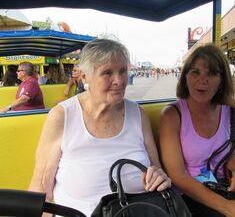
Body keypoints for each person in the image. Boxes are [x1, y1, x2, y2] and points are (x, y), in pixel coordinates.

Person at [29, 38, 171, 216]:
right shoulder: (63, 116)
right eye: (107, 73)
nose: (118, 81)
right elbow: (41, 187)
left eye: (123, 71)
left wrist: (159, 177)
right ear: (84, 77)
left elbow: (156, 169)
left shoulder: (138, 114)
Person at [159, 44, 235, 217]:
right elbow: (178, 176)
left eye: (212, 73)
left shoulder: (230, 111)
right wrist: (226, 207)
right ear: (185, 77)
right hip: (189, 194)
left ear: (222, 80)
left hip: (223, 185)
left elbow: (229, 155)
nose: (203, 80)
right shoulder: (172, 115)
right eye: (195, 72)